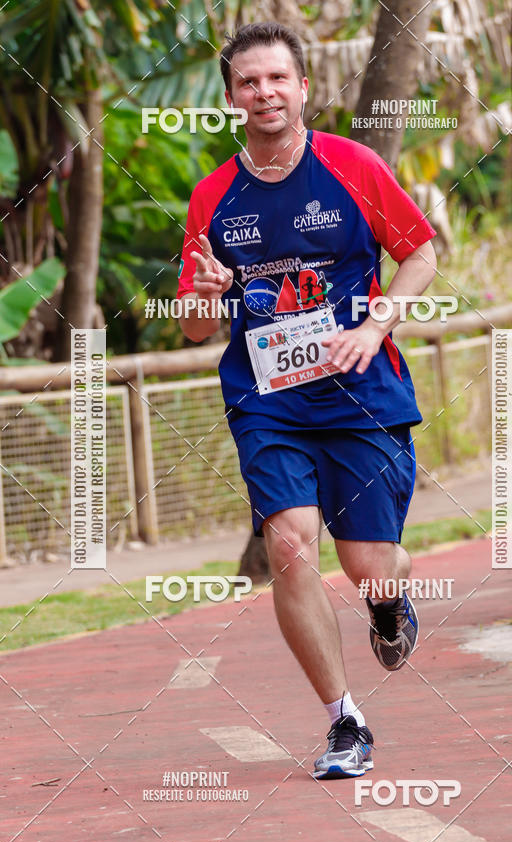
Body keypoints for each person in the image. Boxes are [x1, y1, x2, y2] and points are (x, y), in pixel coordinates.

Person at [177, 22, 437, 780]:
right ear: (233, 97)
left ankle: (389, 601)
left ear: (301, 88)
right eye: (249, 82)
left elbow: (418, 252)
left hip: (361, 392)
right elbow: (196, 327)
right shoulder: (213, 196)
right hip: (269, 400)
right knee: (290, 545)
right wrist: (205, 291)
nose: (264, 93)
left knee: (369, 567)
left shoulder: (352, 166)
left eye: (276, 79)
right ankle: (344, 723)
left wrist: (377, 322)